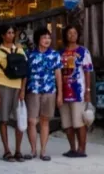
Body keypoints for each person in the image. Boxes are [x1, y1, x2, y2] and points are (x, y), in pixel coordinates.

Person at [0, 26, 27, 162]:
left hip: (17, 86)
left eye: (12, 33)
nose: (11, 35)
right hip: (3, 86)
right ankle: (6, 150)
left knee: (19, 120)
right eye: (8, 33)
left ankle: (18, 150)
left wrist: (23, 90)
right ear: (3, 36)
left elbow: (25, 72)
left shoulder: (20, 50)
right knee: (3, 119)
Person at [26, 28, 62, 161]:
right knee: (31, 121)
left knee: (44, 120)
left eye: (49, 37)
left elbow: (58, 75)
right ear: (38, 39)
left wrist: (60, 94)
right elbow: (25, 75)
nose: (47, 40)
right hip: (33, 90)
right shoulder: (29, 54)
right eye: (44, 37)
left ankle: (43, 151)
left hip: (49, 91)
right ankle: (33, 150)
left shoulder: (54, 54)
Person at [59, 24, 94, 158]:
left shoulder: (83, 51)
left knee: (79, 122)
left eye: (74, 33)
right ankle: (72, 148)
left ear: (78, 35)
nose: (72, 35)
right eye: (69, 33)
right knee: (66, 123)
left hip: (78, 91)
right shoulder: (60, 53)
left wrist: (88, 90)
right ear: (65, 35)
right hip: (63, 91)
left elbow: (87, 71)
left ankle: (82, 149)